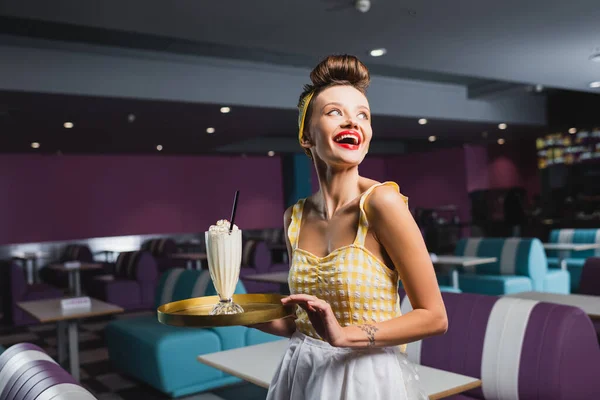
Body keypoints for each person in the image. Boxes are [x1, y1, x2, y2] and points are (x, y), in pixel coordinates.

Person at [250, 54, 448, 399]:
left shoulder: (381, 204)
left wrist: (346, 336)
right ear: (306, 137)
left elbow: (434, 317)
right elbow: (305, 325)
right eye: (334, 112)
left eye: (363, 115)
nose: (352, 123)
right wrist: (245, 315)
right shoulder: (294, 217)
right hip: (302, 370)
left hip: (364, 378)